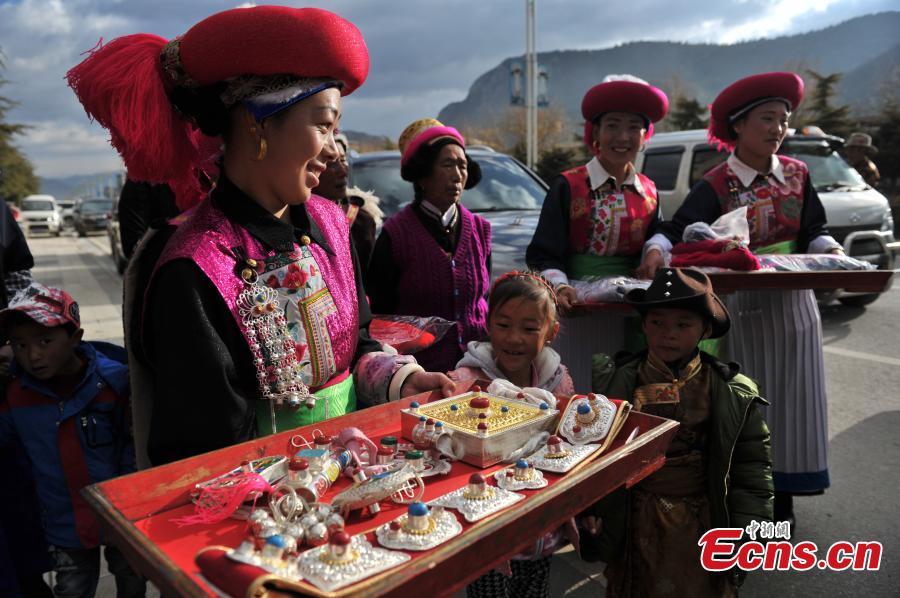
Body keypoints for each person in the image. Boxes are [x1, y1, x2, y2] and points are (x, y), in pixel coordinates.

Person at [67, 6, 454, 465]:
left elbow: (359, 341)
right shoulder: (196, 269)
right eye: (323, 125)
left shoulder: (331, 222)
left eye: (337, 129)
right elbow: (203, 452)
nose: (334, 150)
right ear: (258, 122)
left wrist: (401, 380)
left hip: (354, 470)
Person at [638, 71, 840, 525]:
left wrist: (831, 250)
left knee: (795, 405)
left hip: (795, 308)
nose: (777, 128)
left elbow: (814, 231)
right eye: (766, 118)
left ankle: (782, 504)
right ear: (739, 126)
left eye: (783, 120)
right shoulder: (718, 182)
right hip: (746, 310)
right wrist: (656, 249)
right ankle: (747, 506)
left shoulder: (797, 175)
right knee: (750, 408)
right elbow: (678, 229)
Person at [582, 267, 772, 597]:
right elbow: (592, 452)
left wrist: (748, 529)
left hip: (702, 518)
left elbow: (751, 466)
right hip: (636, 517)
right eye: (657, 322)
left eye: (683, 324)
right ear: (643, 325)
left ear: (706, 330)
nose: (668, 333)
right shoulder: (617, 380)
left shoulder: (731, 391)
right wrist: (591, 510)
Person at [0, 284, 145, 598]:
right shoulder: (15, 396)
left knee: (131, 581)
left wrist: (130, 499)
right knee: (72, 589)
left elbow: (134, 445)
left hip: (122, 515)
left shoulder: (114, 383)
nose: (32, 355)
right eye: (19, 344)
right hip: (63, 523)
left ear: (75, 338)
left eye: (45, 341)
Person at [448, 271, 573, 598]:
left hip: (539, 524)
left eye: (529, 328)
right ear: (488, 324)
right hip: (486, 520)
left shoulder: (558, 384)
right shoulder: (467, 382)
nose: (514, 338)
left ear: (551, 332)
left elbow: (569, 448)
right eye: (503, 325)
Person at [526, 75, 669, 310]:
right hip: (578, 300)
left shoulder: (649, 191)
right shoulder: (569, 186)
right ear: (595, 133)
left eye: (633, 127)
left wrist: (655, 251)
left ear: (645, 136)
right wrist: (560, 287)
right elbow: (543, 251)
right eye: (612, 125)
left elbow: (658, 235)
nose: (623, 137)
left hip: (635, 303)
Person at [367, 118, 490, 373]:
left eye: (462, 166)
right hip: (420, 375)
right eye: (447, 164)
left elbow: (484, 300)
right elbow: (380, 315)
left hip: (479, 369)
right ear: (422, 175)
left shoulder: (480, 230)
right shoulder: (395, 235)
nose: (457, 175)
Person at [314, 133, 383, 267]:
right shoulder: (295, 220)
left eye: (343, 160)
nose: (343, 171)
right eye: (331, 162)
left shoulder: (362, 221)